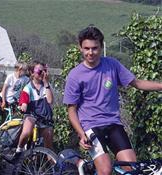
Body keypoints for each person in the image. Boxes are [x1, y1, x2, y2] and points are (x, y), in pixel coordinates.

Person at [63, 26, 162, 175]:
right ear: (80, 48)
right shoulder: (75, 75)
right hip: (91, 126)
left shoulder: (112, 65)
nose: (90, 52)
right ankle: (82, 164)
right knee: (106, 170)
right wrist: (81, 134)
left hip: (113, 123)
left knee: (132, 168)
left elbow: (137, 83)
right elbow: (71, 110)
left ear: (101, 47)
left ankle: (87, 167)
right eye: (87, 48)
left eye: (95, 48)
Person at [15, 61, 54, 154]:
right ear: (32, 73)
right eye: (40, 72)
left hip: (44, 117)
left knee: (49, 140)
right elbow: (24, 100)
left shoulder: (46, 86)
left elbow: (50, 101)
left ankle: (51, 163)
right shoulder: (28, 88)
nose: (43, 74)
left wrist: (46, 83)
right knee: (27, 132)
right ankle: (19, 149)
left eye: (44, 71)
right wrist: (24, 105)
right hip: (32, 114)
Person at [0, 62, 29, 127]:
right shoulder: (10, 77)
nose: (26, 72)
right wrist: (4, 101)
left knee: (8, 118)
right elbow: (4, 89)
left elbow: (31, 83)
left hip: (13, 100)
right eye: (24, 70)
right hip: (3, 97)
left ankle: (3, 129)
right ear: (19, 69)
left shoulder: (24, 78)